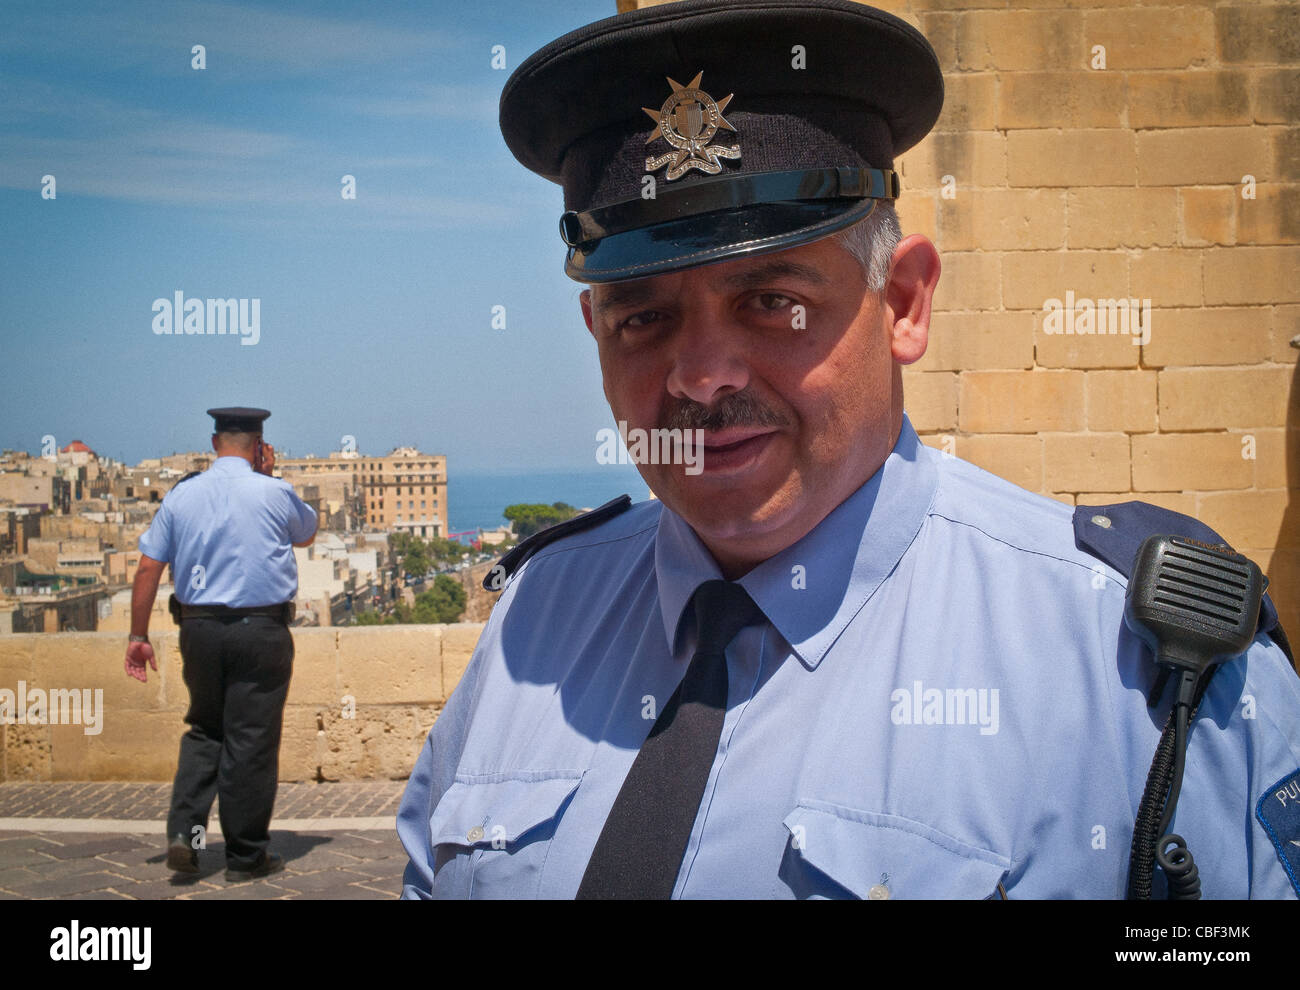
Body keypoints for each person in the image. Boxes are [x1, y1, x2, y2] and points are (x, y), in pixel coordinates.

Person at [397, 0, 1300, 899]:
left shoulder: (1138, 668)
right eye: (645, 317)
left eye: (771, 301)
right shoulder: (537, 621)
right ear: (594, 329)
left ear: (903, 303)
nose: (703, 377)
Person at [125, 407, 318, 881]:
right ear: (259, 445)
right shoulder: (274, 491)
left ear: (215, 444)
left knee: (205, 730)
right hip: (261, 631)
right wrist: (269, 475)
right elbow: (307, 534)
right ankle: (246, 857)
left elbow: (148, 568)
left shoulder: (182, 496)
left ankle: (183, 836)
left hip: (200, 630)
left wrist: (137, 636)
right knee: (250, 741)